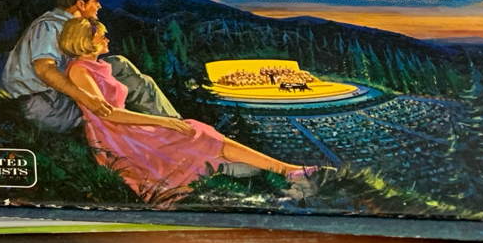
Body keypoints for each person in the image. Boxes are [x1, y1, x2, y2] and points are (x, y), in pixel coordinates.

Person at [60, 18, 319, 205]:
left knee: (200, 134)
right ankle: (286, 171)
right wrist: (162, 122)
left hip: (124, 127)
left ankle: (287, 170)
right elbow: (107, 113)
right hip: (116, 135)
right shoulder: (80, 70)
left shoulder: (97, 66)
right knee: (196, 133)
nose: (107, 39)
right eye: (101, 36)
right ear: (86, 41)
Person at [2, 0, 176, 132]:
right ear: (81, 4)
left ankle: (173, 123)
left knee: (119, 64)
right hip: (47, 104)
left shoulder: (70, 25)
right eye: (96, 1)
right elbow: (44, 69)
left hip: (58, 96)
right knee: (128, 83)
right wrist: (87, 98)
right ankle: (172, 126)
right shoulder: (49, 27)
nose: (99, 6)